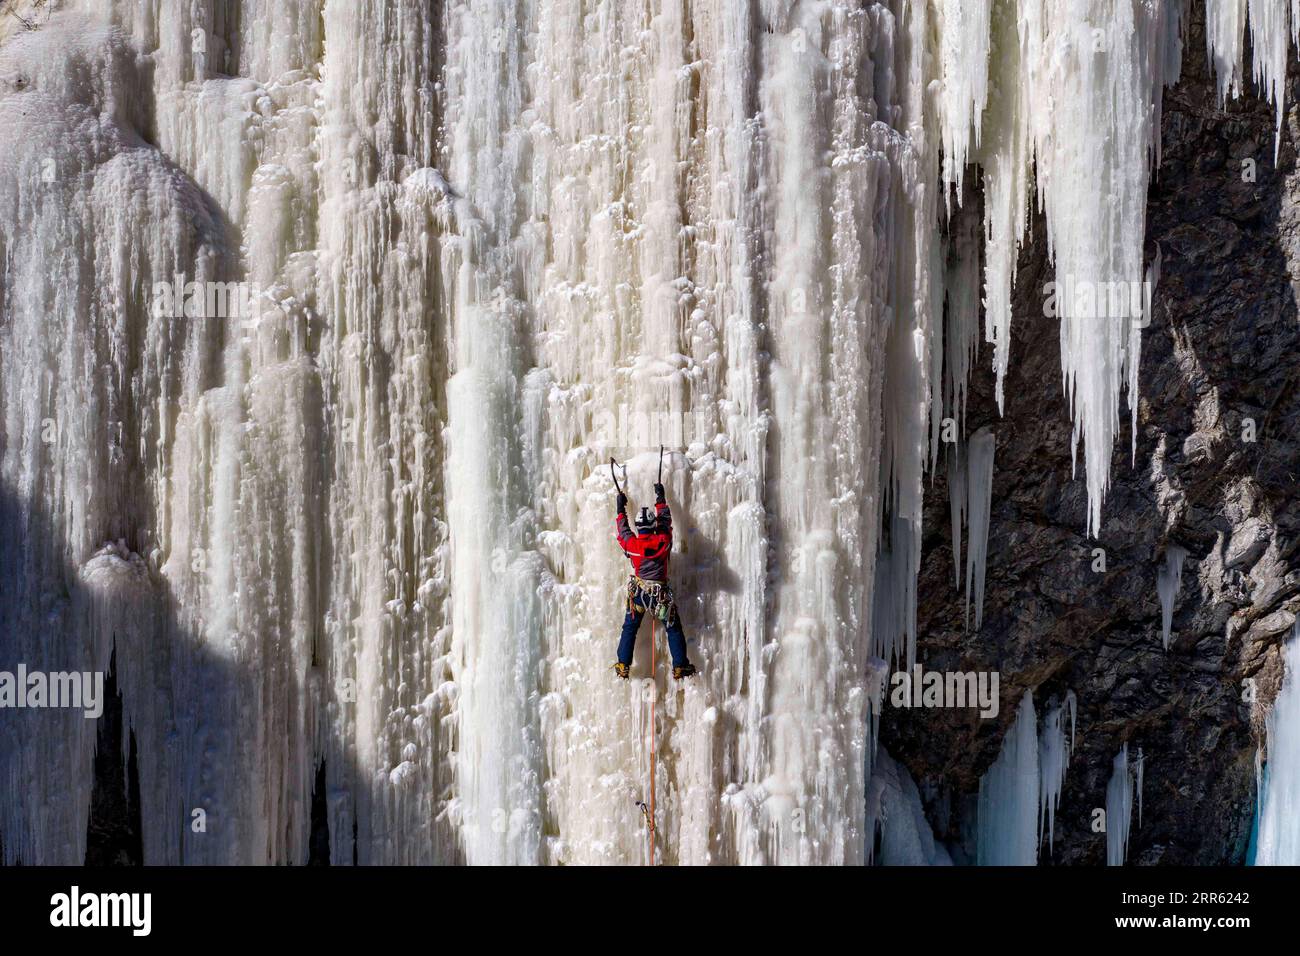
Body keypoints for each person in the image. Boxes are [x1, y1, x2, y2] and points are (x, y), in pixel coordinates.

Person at [613, 481, 696, 680]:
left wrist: (620, 509)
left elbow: (623, 532)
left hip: (639, 594)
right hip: (660, 595)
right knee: (672, 627)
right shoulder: (663, 542)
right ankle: (680, 666)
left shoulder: (633, 544)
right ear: (652, 525)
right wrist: (660, 498)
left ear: (639, 526)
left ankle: (623, 664)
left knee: (630, 627)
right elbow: (665, 523)